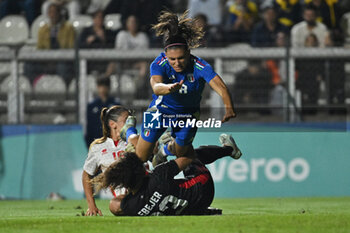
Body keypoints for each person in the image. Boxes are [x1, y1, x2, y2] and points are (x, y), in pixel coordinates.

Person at [135, 11, 236, 163]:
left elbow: (220, 86)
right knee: (140, 158)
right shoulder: (158, 63)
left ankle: (165, 149)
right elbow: (155, 86)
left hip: (187, 115)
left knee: (181, 155)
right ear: (165, 55)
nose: (177, 63)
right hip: (159, 111)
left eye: (181, 58)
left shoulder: (200, 66)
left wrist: (228, 107)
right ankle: (136, 136)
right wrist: (168, 89)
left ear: (189, 53)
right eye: (172, 59)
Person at [91, 134, 242, 216]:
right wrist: (171, 146)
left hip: (192, 207)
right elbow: (187, 156)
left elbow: (116, 203)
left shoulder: (129, 207)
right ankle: (229, 150)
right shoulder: (158, 175)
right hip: (203, 188)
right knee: (190, 155)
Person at [82, 105, 139, 216]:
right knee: (114, 205)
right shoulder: (98, 148)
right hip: (124, 199)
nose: (131, 123)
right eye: (127, 120)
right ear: (113, 124)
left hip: (145, 188)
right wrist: (92, 206)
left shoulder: (134, 139)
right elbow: (86, 175)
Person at [85, 76, 120, 148]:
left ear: (109, 88)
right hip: (97, 142)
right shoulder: (91, 106)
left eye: (105, 87)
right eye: (100, 86)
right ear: (97, 87)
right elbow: (89, 127)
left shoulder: (116, 105)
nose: (102, 89)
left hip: (112, 143)